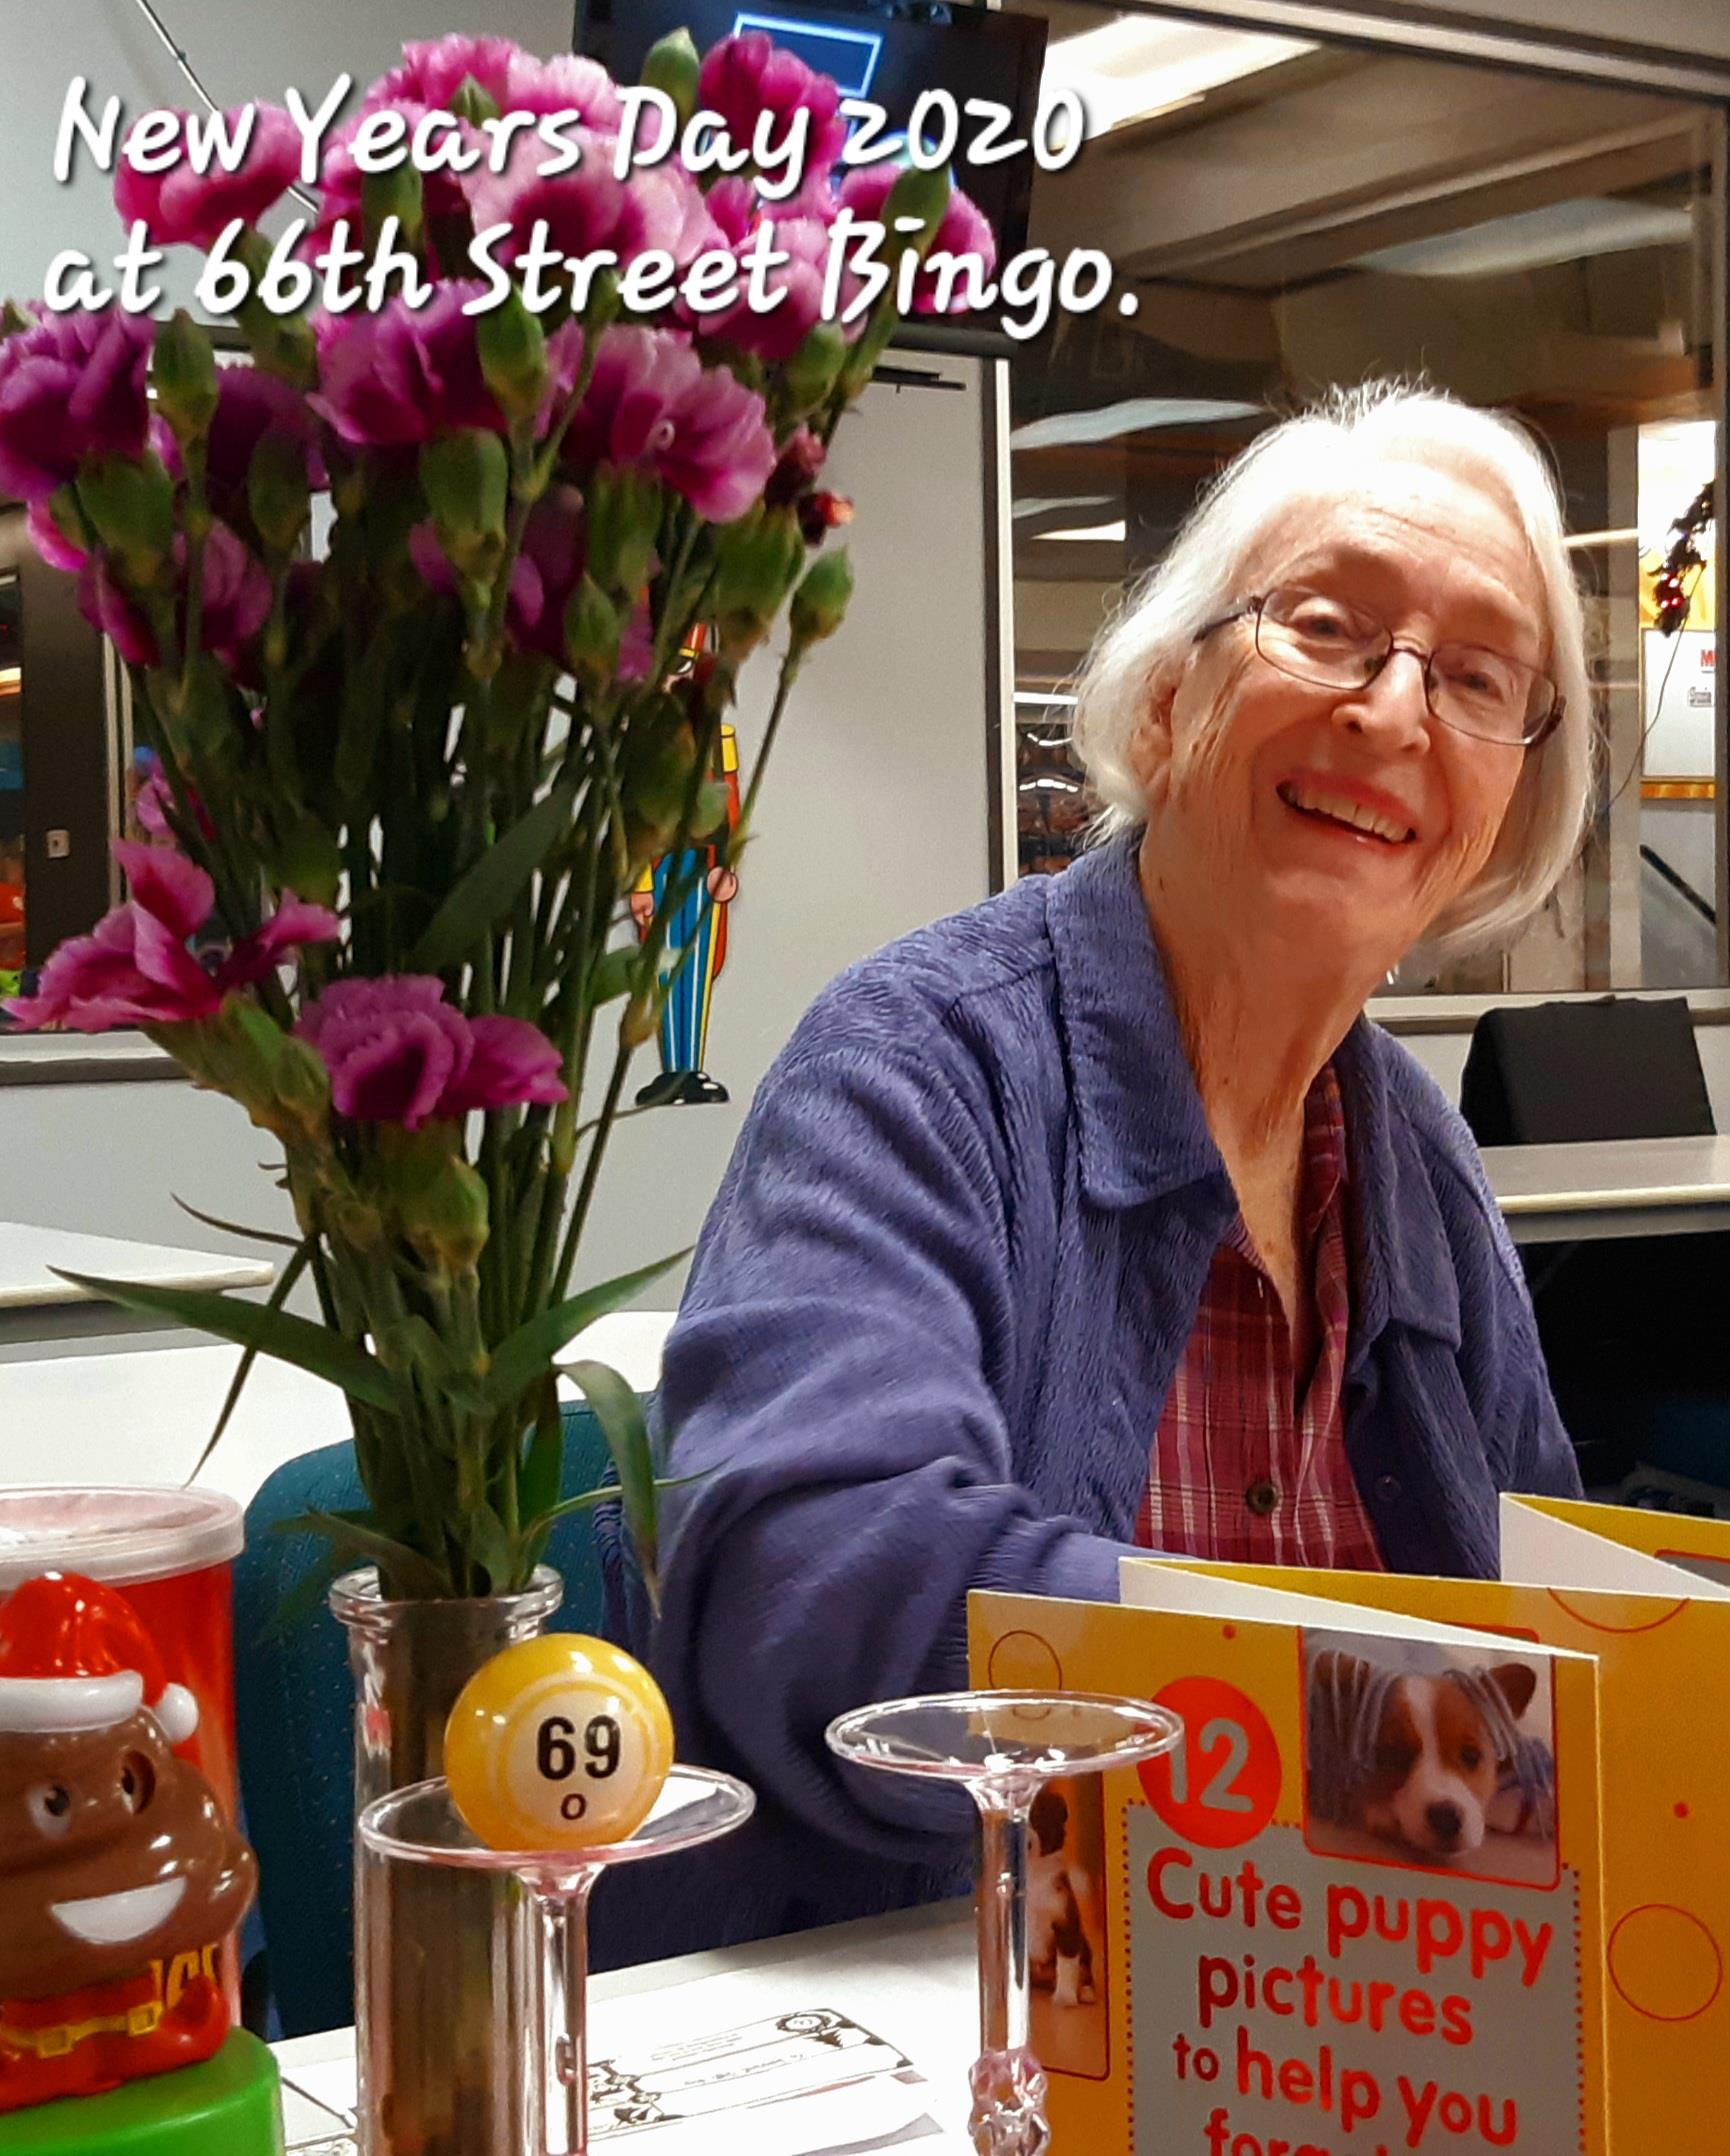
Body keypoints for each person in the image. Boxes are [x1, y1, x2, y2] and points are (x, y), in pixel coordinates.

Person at [606, 381, 1593, 1956]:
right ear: (1162, 706)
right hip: (960, 1993)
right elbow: (819, 1593)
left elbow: (1562, 1639)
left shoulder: (1415, 1157)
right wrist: (1339, 1710)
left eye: (1476, 677)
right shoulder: (918, 1064)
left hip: (1361, 2009)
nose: (1395, 713)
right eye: (1325, 628)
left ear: (1500, 813)